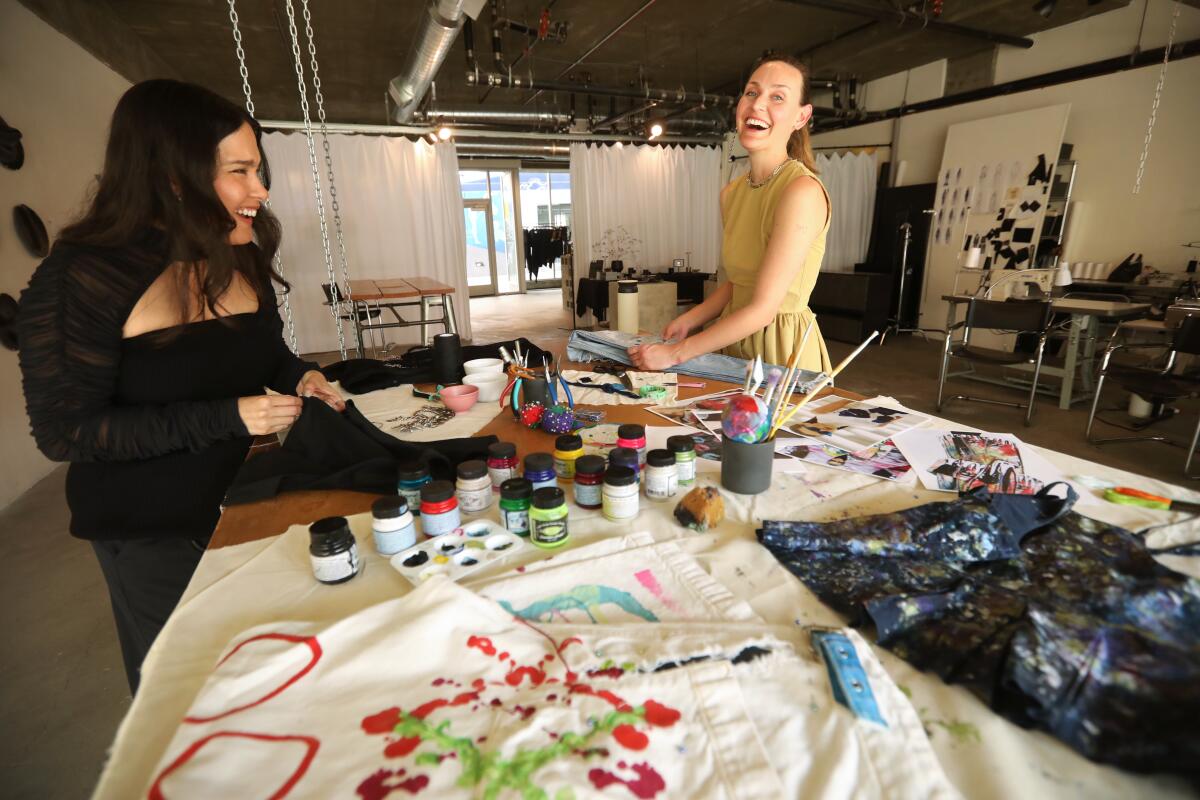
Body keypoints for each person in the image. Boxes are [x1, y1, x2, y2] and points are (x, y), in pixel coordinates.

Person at [17, 80, 344, 693]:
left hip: (251, 503)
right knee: (192, 696)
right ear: (173, 177)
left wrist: (300, 374)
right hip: (151, 530)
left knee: (271, 679)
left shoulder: (234, 251)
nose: (260, 190)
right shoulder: (81, 277)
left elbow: (265, 351)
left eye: (259, 169)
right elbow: (67, 432)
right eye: (240, 171)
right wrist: (228, 417)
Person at [629, 54, 832, 373]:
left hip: (780, 351)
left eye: (777, 97)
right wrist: (690, 319)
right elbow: (739, 282)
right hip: (732, 342)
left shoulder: (801, 191)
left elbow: (764, 309)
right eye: (752, 92)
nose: (758, 104)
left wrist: (677, 354)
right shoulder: (732, 193)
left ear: (801, 117)